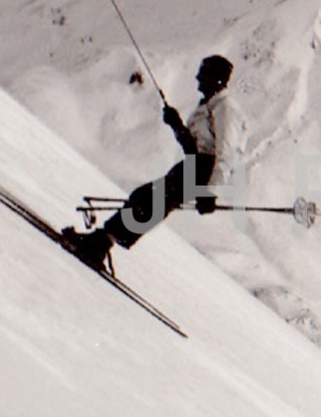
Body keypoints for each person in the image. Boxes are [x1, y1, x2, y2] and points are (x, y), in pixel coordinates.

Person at [62, 55, 240, 272]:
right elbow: (195, 147)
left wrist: (211, 192)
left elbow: (226, 153)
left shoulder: (225, 109)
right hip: (195, 166)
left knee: (150, 201)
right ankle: (103, 240)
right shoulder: (210, 105)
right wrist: (177, 126)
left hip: (202, 170)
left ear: (215, 78)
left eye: (203, 74)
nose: (197, 78)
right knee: (147, 199)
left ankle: (101, 243)